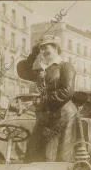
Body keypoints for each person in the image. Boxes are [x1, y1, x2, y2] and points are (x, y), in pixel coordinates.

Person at [17, 34, 77, 162]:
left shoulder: (65, 67)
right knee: (33, 154)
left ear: (56, 48)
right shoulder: (41, 71)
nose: (43, 51)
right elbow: (22, 71)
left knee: (61, 157)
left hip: (64, 116)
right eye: (41, 48)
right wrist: (34, 53)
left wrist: (43, 100)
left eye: (46, 47)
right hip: (46, 116)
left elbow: (67, 91)